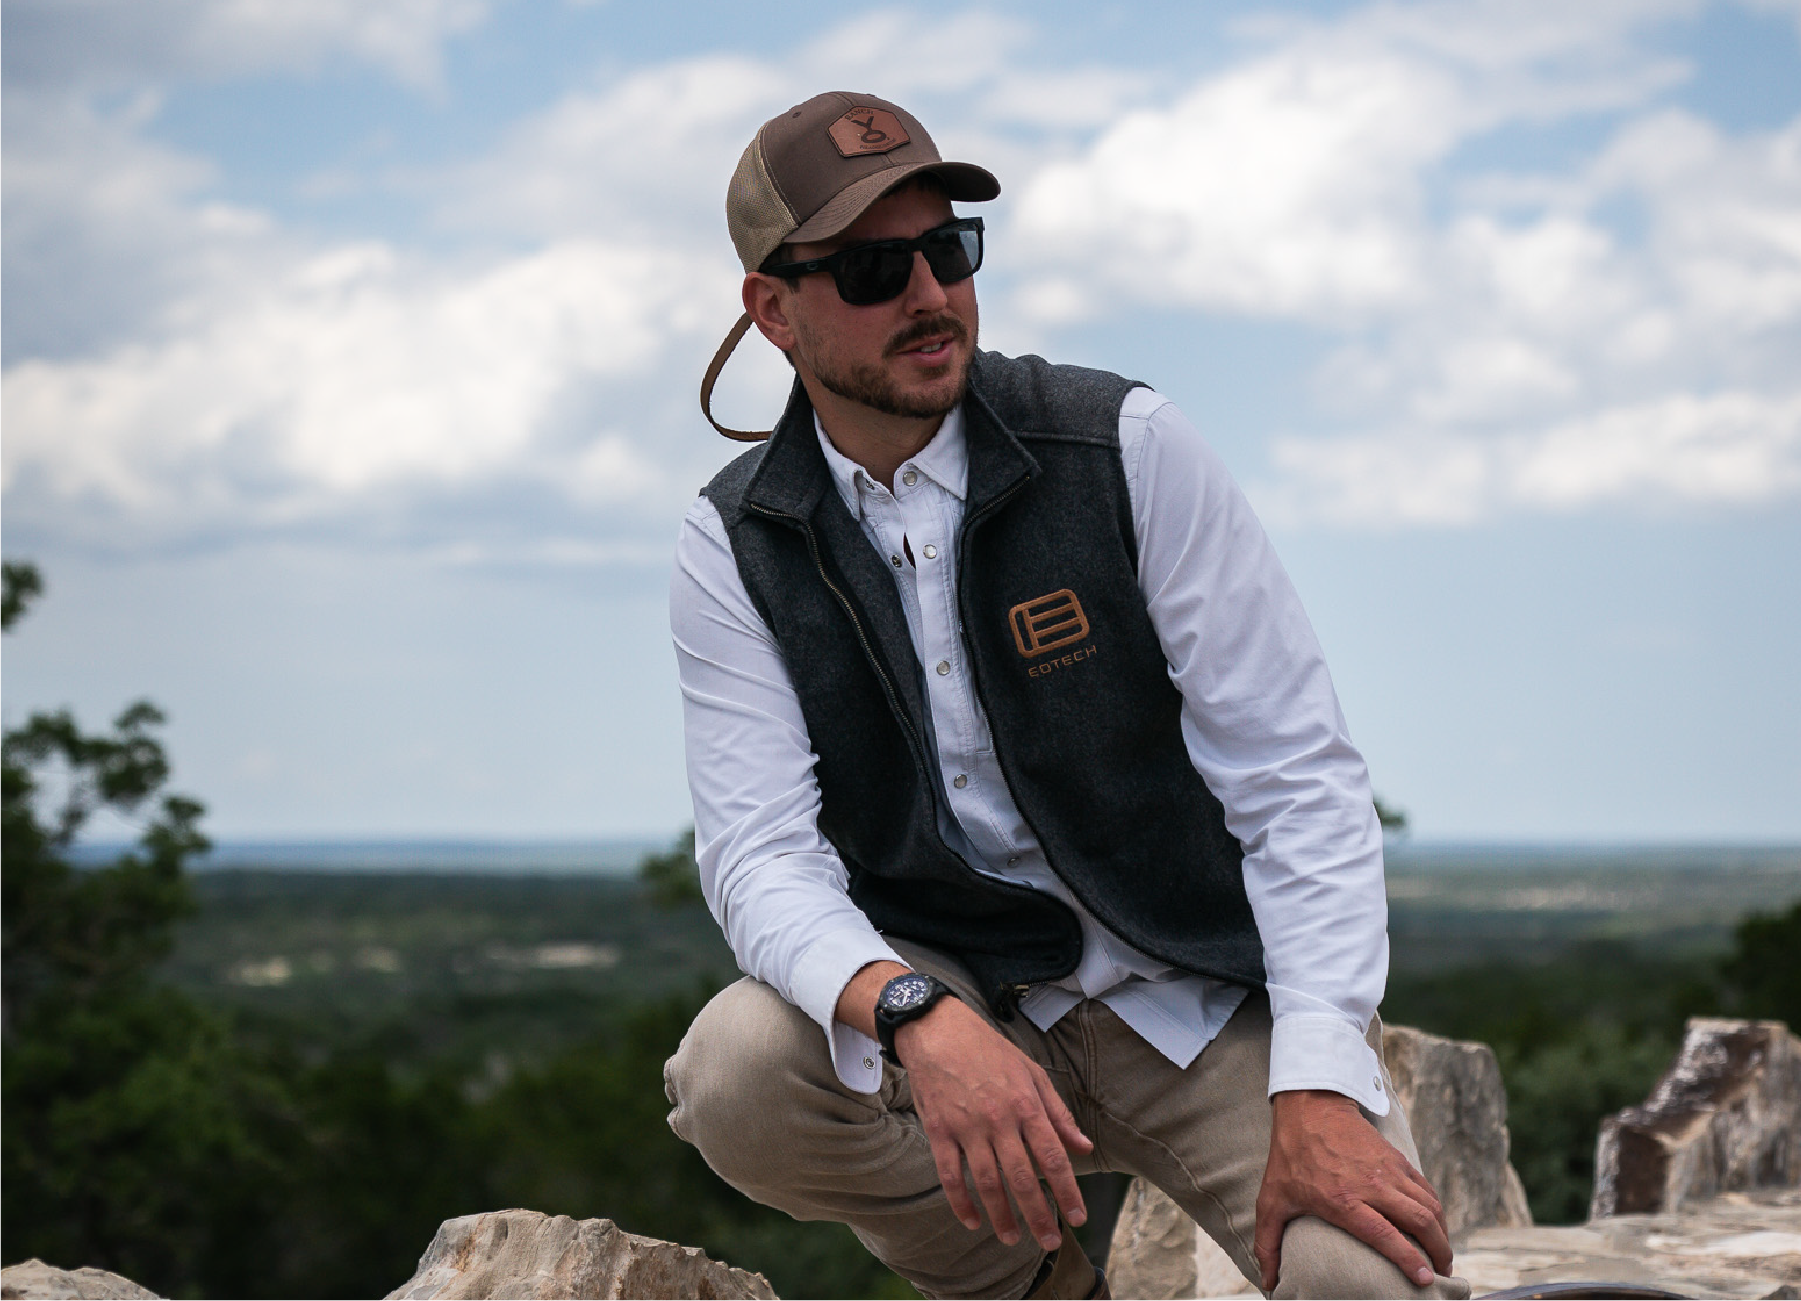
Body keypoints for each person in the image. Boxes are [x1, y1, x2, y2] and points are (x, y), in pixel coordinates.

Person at [664, 90, 1467, 1301]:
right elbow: (758, 856)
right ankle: (1028, 1286)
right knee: (734, 1072)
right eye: (877, 267)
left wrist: (1318, 1082)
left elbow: (1295, 779)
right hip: (960, 996)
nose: (930, 294)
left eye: (949, 248)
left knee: (1364, 1281)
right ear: (772, 309)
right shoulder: (736, 542)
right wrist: (917, 1014)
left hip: (1190, 995)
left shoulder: (1124, 446)